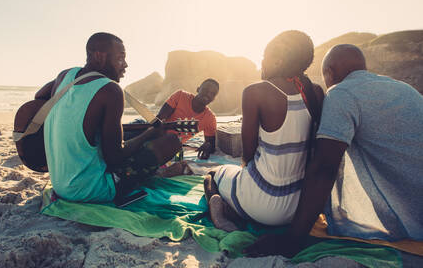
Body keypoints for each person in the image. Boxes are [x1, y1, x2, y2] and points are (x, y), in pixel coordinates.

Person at [244, 44, 423, 258]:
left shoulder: (341, 93)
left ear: (329, 73)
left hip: (413, 221)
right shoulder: (404, 89)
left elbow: (324, 168)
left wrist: (292, 239)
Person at [35, 32, 182, 203]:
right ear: (99, 56)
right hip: (89, 190)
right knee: (171, 142)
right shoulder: (110, 90)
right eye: (120, 58)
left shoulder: (65, 76)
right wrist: (148, 135)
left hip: (59, 184)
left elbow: (39, 96)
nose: (125, 65)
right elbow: (114, 157)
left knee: (136, 128)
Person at [203, 30, 324, 232]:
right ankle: (236, 208)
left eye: (264, 58)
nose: (261, 64)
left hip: (263, 204)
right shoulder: (316, 93)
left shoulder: (255, 92)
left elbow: (248, 155)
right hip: (301, 207)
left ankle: (219, 209)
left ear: (277, 61)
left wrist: (245, 169)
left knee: (213, 173)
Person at [156, 79, 220, 160]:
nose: (208, 94)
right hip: (156, 135)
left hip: (174, 148)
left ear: (214, 99)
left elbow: (210, 145)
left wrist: (208, 146)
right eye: (205, 90)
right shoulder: (180, 96)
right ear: (198, 89)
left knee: (177, 160)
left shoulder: (210, 118)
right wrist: (171, 126)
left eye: (212, 93)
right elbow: (159, 119)